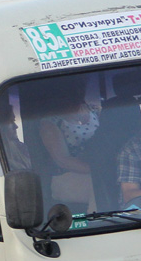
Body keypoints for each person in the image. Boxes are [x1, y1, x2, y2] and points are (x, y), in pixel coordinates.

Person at [36, 77, 100, 210]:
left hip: (97, 167)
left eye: (81, 88)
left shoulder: (94, 110)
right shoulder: (50, 122)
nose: (78, 93)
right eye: (73, 90)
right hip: (66, 178)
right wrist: (98, 170)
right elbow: (62, 160)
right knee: (101, 185)